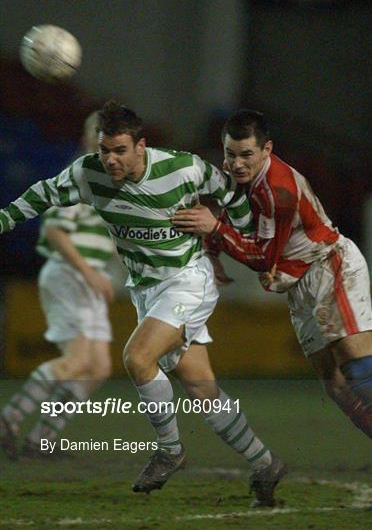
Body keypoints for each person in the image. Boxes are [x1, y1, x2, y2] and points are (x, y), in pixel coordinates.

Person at [0, 101, 286, 507]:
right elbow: (41, 194)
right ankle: (266, 462)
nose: (111, 160)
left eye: (120, 150)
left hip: (188, 280)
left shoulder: (183, 168)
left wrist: (230, 235)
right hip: (147, 289)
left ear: (141, 146)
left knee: (137, 358)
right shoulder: (88, 174)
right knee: (202, 388)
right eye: (104, 150)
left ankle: (170, 450)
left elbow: (233, 197)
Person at [172, 109, 372, 439]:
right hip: (297, 280)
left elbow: (263, 259)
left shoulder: (278, 191)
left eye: (246, 154)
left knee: (355, 362)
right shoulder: (236, 175)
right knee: (336, 386)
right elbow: (227, 209)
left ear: (267, 150)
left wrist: (216, 230)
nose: (236, 164)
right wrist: (212, 250)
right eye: (230, 154)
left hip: (329, 265)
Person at [0, 112, 116, 459]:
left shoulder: (109, 180)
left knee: (98, 368)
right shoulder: (79, 174)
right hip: (71, 272)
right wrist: (88, 271)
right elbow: (54, 228)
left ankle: (41, 439)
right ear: (88, 138)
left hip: (87, 276)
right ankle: (8, 421)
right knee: (77, 361)